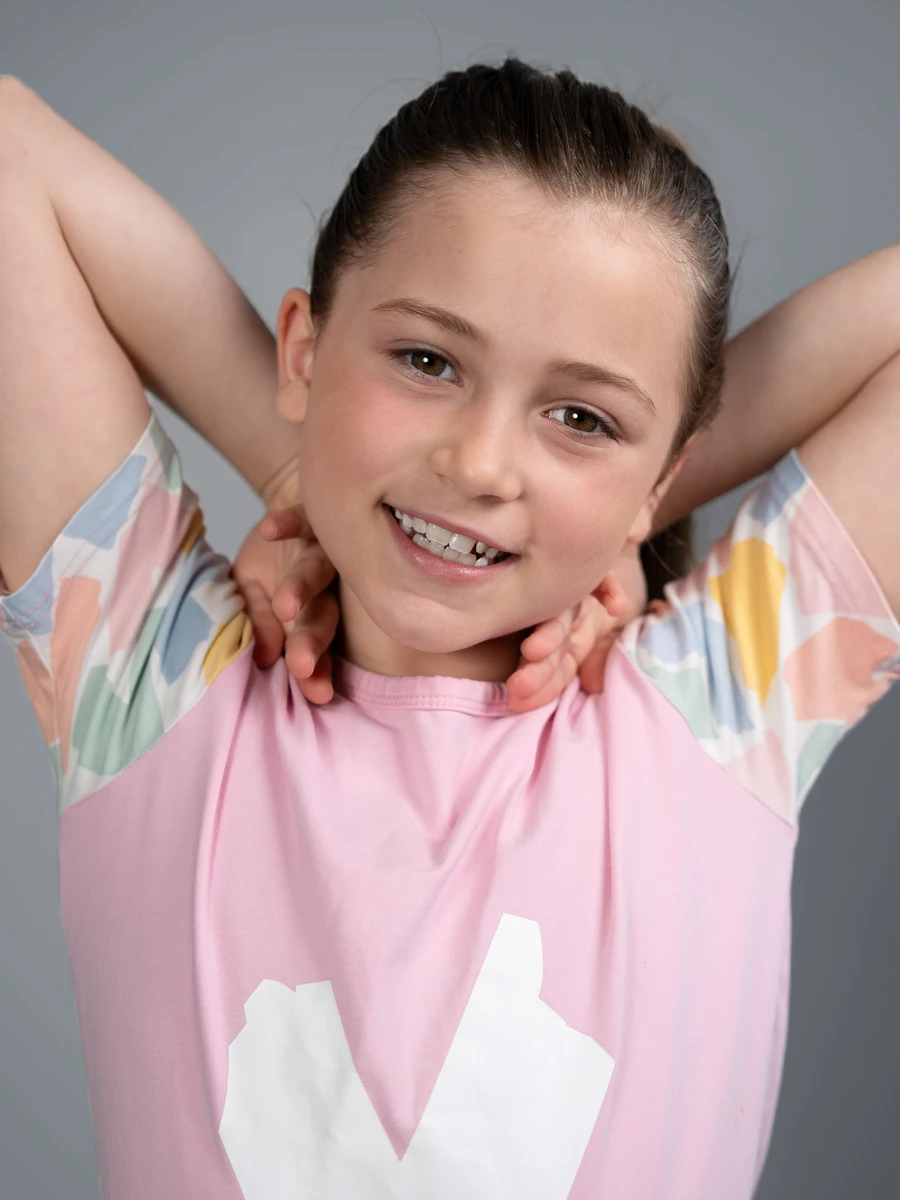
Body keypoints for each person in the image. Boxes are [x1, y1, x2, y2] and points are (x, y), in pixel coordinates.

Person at [0, 59, 898, 1200]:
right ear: (305, 351)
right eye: (427, 360)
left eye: (582, 417)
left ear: (663, 475)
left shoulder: (722, 720)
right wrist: (292, 466)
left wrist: (620, 516)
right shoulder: (150, 690)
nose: (478, 463)